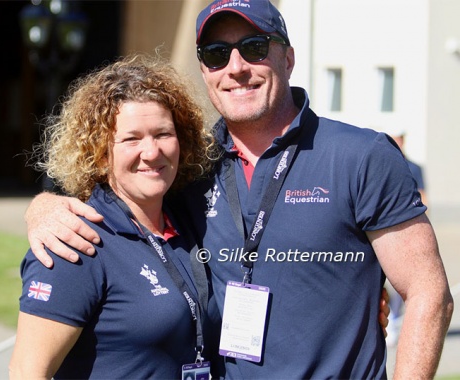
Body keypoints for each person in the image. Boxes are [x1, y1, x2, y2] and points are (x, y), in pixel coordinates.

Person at [23, 1, 453, 379]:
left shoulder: (360, 156)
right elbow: (116, 190)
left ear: (288, 58)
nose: (236, 68)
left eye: (254, 47)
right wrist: (42, 208)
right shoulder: (189, 166)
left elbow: (428, 292)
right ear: (205, 71)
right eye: (215, 54)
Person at [9, 54, 220, 379]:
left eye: (163, 134)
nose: (151, 152)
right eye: (131, 138)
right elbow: (26, 372)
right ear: (100, 152)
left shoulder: (186, 221)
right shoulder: (73, 241)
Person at [385, 127, 429, 347]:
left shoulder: (414, 168)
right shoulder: (382, 165)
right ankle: (391, 319)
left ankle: (397, 320)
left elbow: (423, 197)